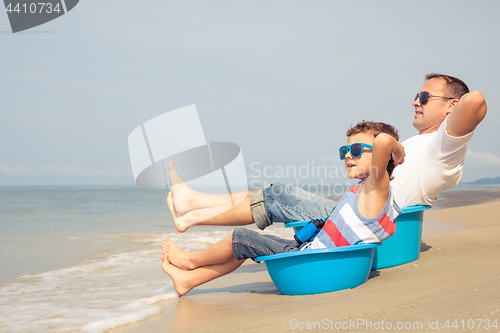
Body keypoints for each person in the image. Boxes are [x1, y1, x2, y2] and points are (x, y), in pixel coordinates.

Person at [167, 73, 487, 233]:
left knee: (279, 195)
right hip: (362, 216)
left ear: (450, 106)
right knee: (277, 194)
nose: (415, 101)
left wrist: (457, 110)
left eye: (424, 96)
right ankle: (193, 208)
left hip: (366, 225)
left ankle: (192, 208)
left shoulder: (444, 147)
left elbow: (476, 102)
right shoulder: (426, 144)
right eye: (416, 95)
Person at [161, 121, 405, 295]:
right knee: (247, 249)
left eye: (356, 150)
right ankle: (188, 280)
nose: (347, 157)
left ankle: (191, 262)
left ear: (382, 160)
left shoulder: (375, 187)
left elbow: (384, 141)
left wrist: (398, 151)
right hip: (310, 253)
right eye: (344, 151)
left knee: (239, 237)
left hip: (312, 264)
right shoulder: (366, 190)